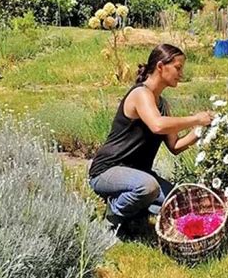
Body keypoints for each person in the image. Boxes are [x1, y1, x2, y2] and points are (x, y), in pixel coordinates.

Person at [89, 43, 213, 231]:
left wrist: (201, 130)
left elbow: (176, 146)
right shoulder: (141, 93)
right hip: (108, 171)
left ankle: (137, 208)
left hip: (138, 174)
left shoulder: (162, 104)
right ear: (161, 66)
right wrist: (196, 118)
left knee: (181, 203)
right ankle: (113, 214)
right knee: (148, 187)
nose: (181, 74)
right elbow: (157, 125)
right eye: (178, 68)